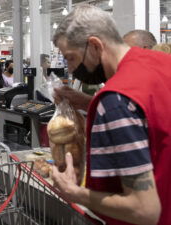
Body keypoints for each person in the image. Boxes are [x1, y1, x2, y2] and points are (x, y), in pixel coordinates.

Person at [51, 5, 171, 225]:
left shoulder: (115, 101)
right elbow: (153, 117)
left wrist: (74, 192)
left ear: (95, 45)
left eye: (71, 58)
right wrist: (89, 104)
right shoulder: (162, 65)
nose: (70, 69)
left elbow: (144, 210)